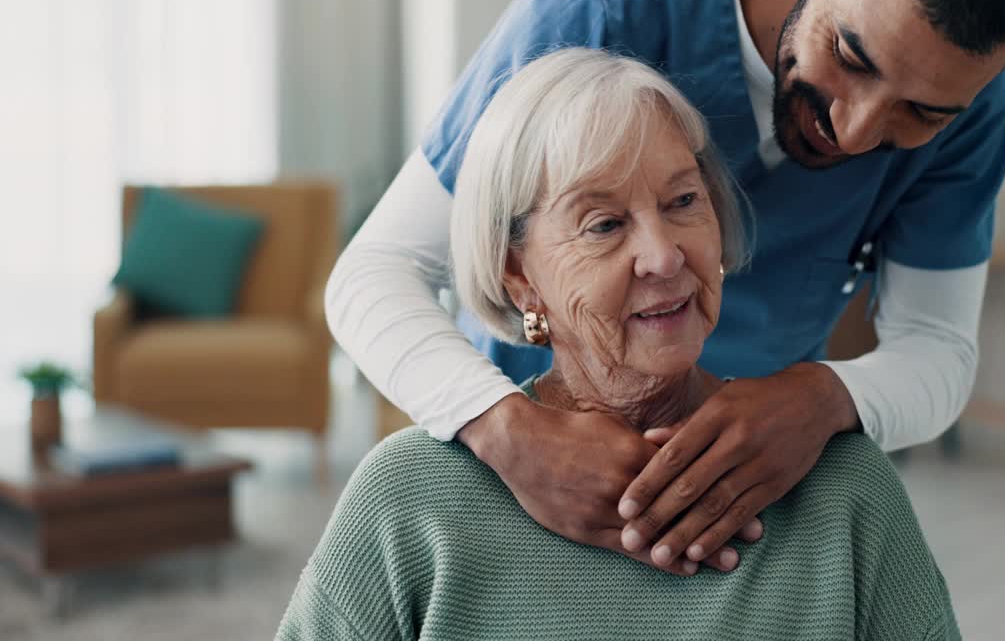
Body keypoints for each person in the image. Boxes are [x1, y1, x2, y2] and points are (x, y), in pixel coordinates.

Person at [327, 0, 1005, 574]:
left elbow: (938, 345)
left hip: (751, 507)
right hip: (527, 472)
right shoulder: (606, 2)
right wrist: (509, 430)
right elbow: (376, 271)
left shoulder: (975, 113)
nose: (857, 132)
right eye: (849, 56)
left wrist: (824, 397)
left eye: (920, 113)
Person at [279, 48, 960, 641]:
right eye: (604, 225)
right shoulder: (407, 500)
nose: (664, 256)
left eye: (683, 202)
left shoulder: (844, 489)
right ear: (519, 278)